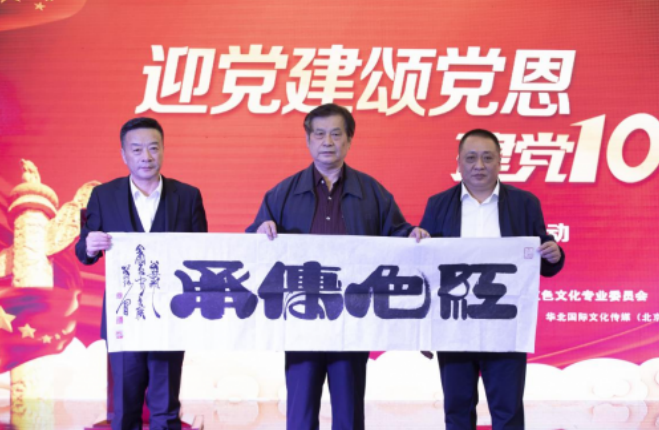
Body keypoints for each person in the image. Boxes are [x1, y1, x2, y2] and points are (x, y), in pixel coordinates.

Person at [246, 103, 427, 430]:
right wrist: (260, 231)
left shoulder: (372, 192)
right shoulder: (283, 193)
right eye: (319, 134)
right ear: (308, 140)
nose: (327, 142)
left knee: (349, 413)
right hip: (301, 320)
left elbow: (398, 235)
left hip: (352, 319)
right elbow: (252, 245)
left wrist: (413, 234)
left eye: (335, 134)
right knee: (300, 414)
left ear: (349, 140)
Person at [419, 128, 565, 430]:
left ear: (500, 161)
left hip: (506, 326)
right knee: (457, 410)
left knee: (508, 411)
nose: (479, 165)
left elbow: (540, 257)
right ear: (458, 162)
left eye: (487, 158)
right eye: (471, 158)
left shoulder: (524, 203)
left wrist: (554, 254)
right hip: (454, 325)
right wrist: (424, 330)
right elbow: (425, 270)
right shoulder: (438, 204)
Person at [75, 117, 208, 430]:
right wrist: (90, 245)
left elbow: (202, 253)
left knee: (166, 409)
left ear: (163, 150)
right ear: (123, 154)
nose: (146, 157)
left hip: (170, 316)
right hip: (124, 316)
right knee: (124, 409)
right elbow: (83, 251)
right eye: (136, 150)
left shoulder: (188, 196)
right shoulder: (103, 196)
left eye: (153, 148)